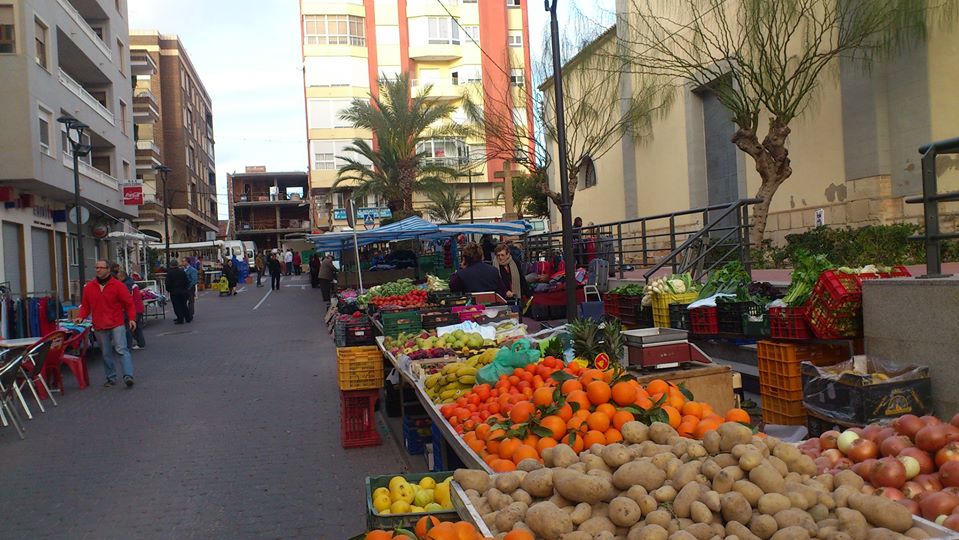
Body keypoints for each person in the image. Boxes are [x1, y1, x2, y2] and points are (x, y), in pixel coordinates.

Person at [75, 260, 137, 388]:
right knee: (106, 353)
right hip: (99, 324)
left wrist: (131, 318)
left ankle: (128, 375)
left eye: (101, 268)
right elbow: (85, 306)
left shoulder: (118, 286)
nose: (98, 270)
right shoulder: (89, 287)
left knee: (121, 349)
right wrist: (81, 317)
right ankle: (111, 377)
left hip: (116, 322)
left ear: (108, 269)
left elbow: (129, 303)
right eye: (96, 267)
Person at [166, 258, 191, 324]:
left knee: (177, 306)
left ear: (171, 265)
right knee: (184, 305)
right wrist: (186, 289)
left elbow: (167, 283)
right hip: (183, 291)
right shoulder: (182, 271)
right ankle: (188, 317)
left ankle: (180, 318)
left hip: (174, 292)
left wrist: (169, 290)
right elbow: (186, 281)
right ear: (177, 264)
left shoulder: (169, 273)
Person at [130, 282, 146, 349]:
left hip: (135, 309)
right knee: (138, 327)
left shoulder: (129, 286)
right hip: (139, 308)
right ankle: (141, 342)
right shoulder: (134, 285)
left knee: (135, 328)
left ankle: (140, 343)